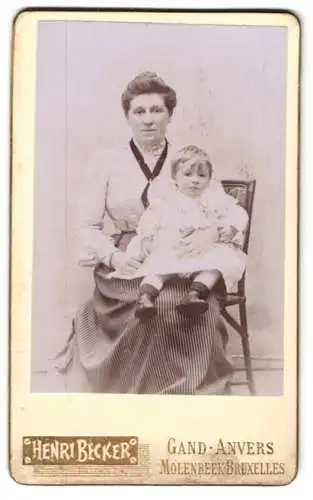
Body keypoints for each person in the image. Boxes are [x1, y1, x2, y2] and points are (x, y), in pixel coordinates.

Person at [55, 71, 236, 394]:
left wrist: (212, 234)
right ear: (128, 116)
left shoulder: (190, 160)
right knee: (148, 309)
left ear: (169, 115)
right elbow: (86, 225)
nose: (148, 119)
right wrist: (114, 256)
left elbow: (220, 206)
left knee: (185, 306)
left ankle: (183, 392)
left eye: (157, 111)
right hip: (128, 256)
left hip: (186, 254)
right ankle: (134, 395)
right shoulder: (106, 162)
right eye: (139, 111)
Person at [109, 145, 248, 321]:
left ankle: (195, 295)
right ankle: (146, 298)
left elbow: (238, 213)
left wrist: (231, 228)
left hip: (203, 251)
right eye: (188, 175)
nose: (195, 180)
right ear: (175, 177)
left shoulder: (215, 199)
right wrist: (147, 237)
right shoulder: (167, 200)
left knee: (215, 267)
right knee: (159, 267)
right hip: (175, 248)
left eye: (202, 175)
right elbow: (149, 219)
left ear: (209, 178)